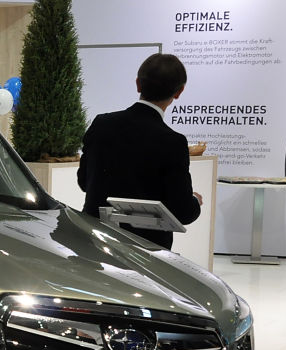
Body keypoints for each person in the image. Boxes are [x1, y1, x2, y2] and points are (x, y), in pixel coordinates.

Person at [78, 53, 203, 250]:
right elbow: (183, 212)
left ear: (138, 84)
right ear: (179, 92)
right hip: (146, 254)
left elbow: (84, 182)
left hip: (95, 243)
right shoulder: (173, 142)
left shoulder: (101, 124)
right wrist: (195, 200)